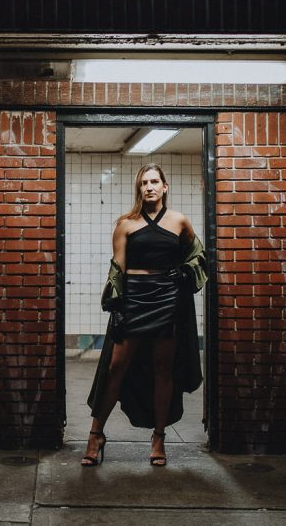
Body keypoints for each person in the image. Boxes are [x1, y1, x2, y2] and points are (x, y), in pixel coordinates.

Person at [83, 163, 207, 467]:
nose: (149, 187)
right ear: (139, 189)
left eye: (154, 182)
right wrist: (117, 308)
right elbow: (117, 270)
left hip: (167, 302)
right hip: (134, 300)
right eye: (144, 183)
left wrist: (183, 273)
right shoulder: (126, 223)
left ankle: (159, 437)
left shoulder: (180, 222)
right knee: (116, 368)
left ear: (165, 187)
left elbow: (199, 257)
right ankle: (95, 435)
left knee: (163, 370)